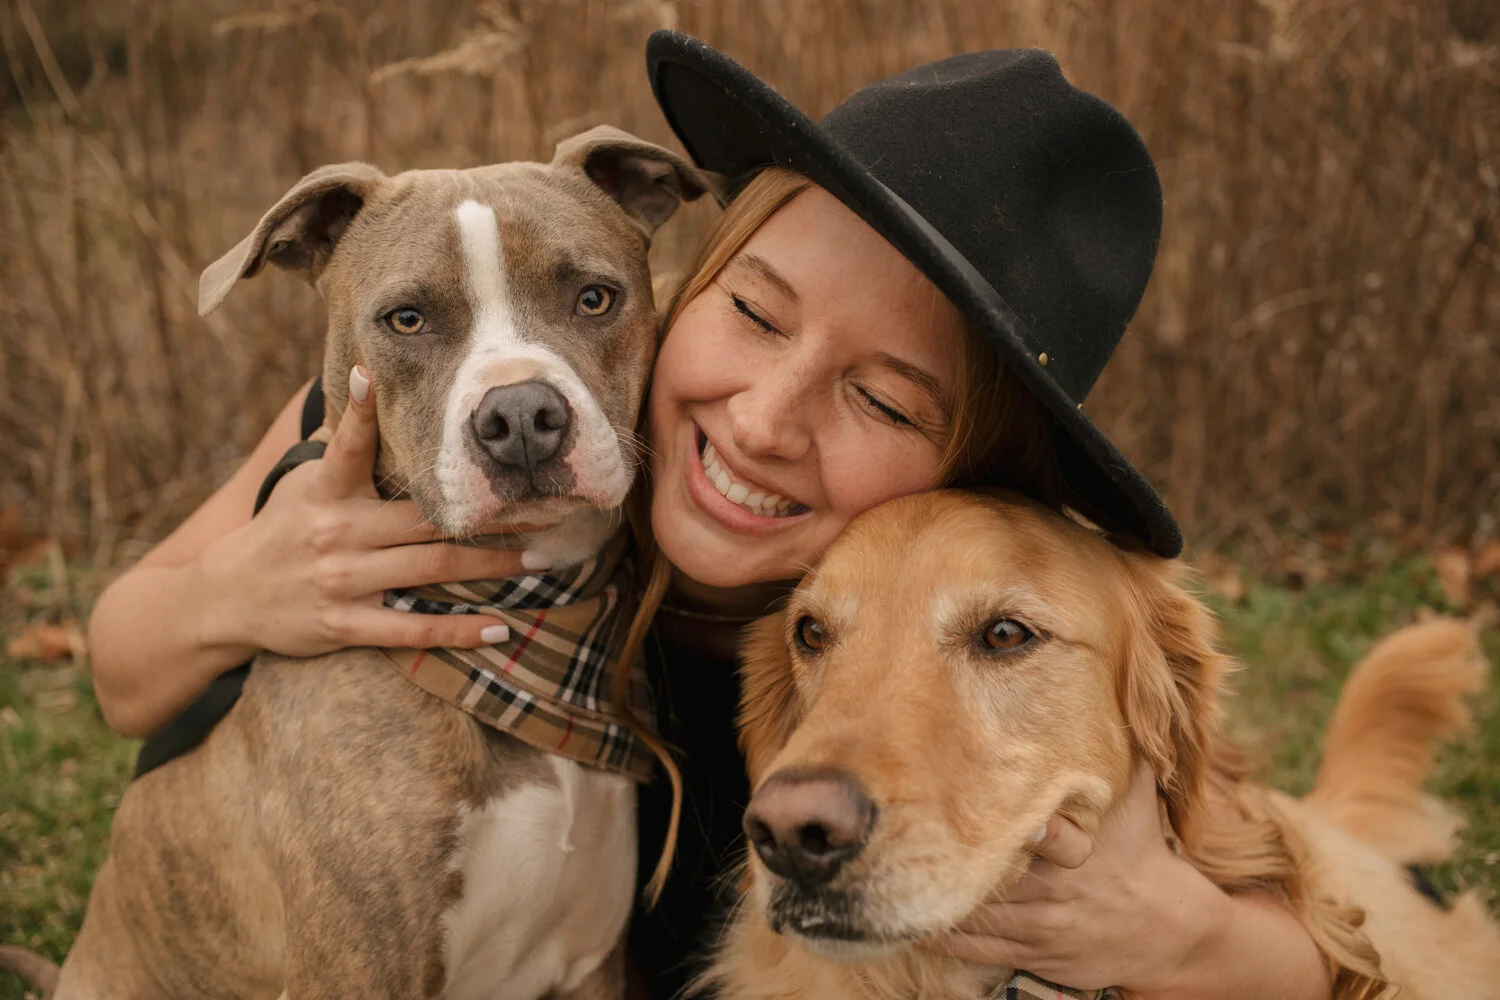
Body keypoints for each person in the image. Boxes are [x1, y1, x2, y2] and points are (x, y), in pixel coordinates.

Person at [87, 30, 1334, 1000]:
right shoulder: (426, 423)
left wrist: (1190, 930)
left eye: (885, 399)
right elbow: (122, 665)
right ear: (691, 276)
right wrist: (238, 589)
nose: (763, 419)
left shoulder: (942, 646)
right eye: (755, 313)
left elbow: (1303, 935)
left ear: (973, 472)